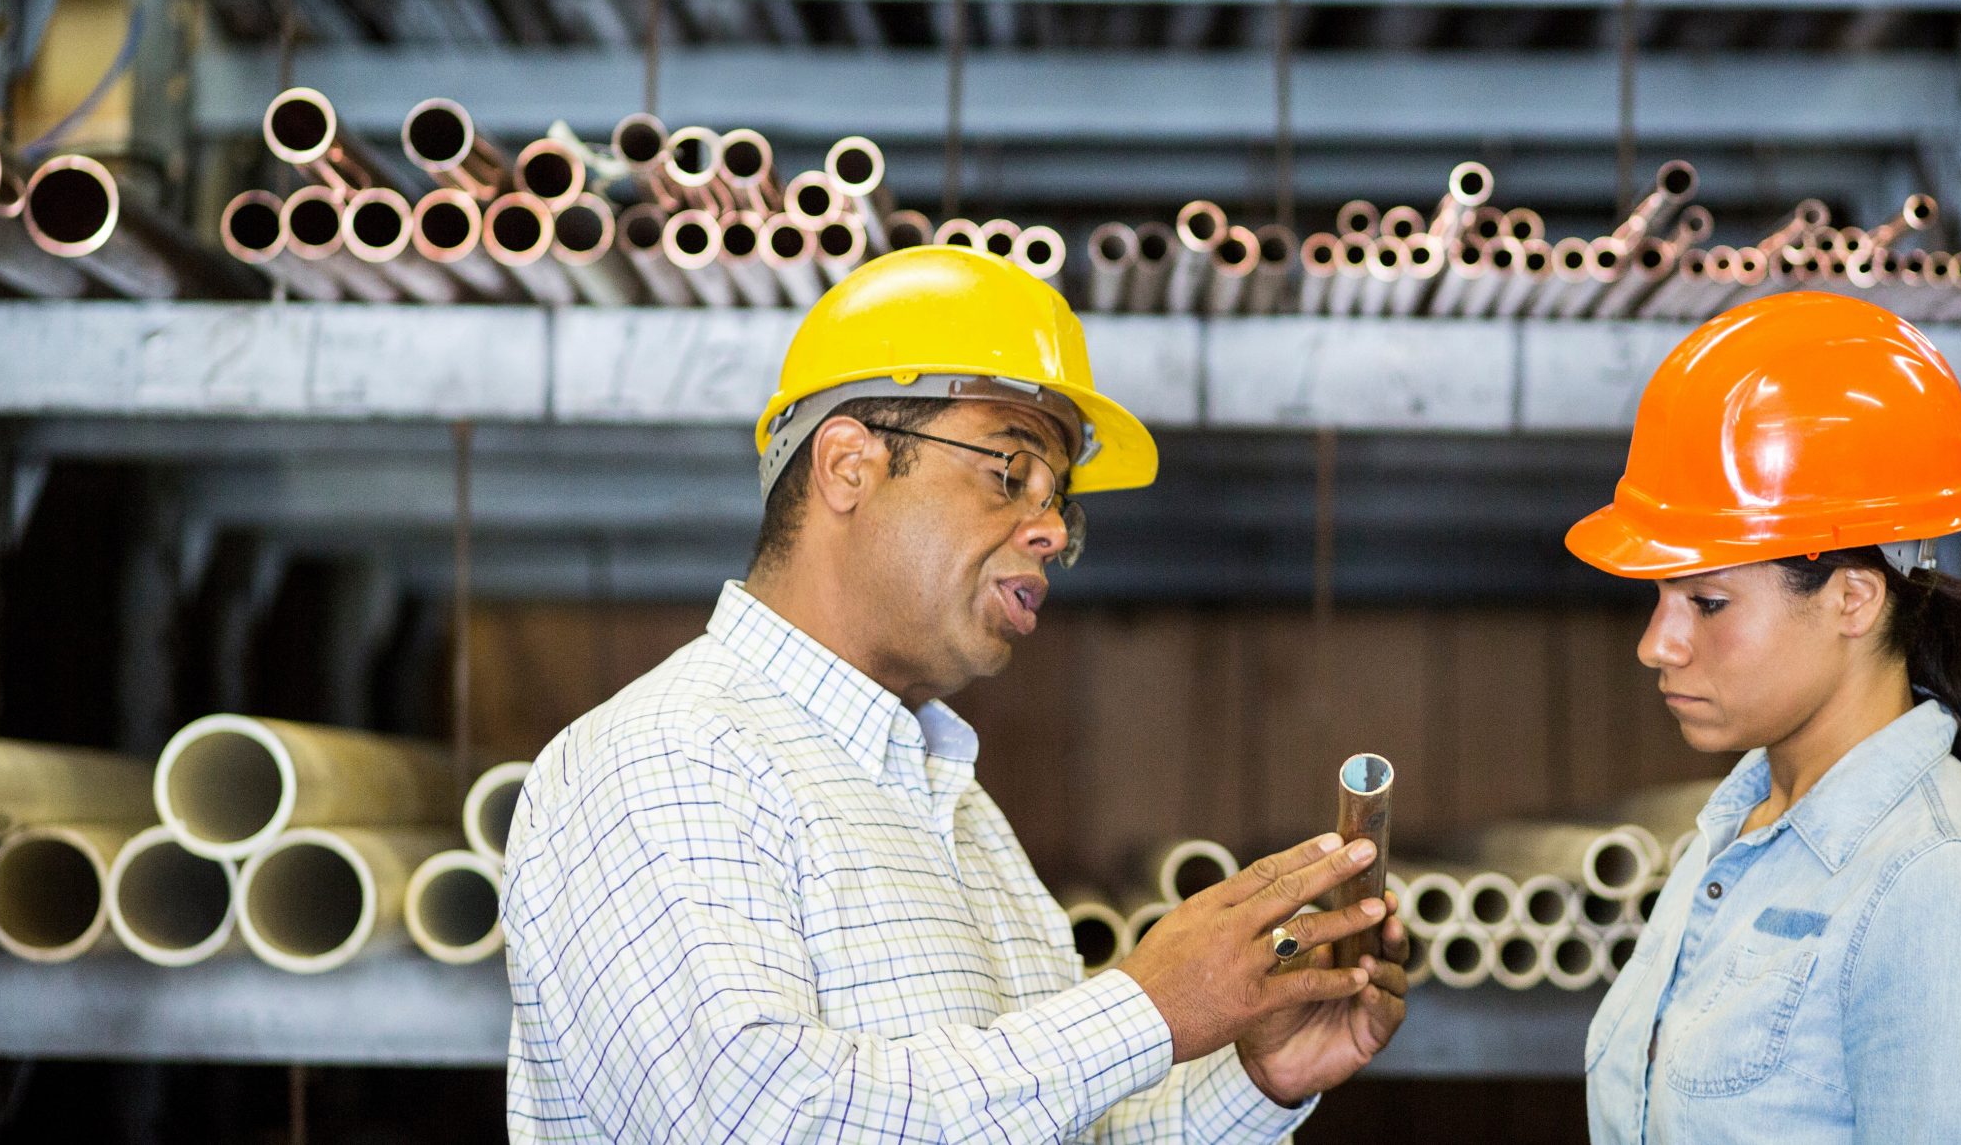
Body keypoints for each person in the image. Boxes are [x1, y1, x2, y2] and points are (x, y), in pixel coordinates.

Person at [502, 244, 1408, 1142]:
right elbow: (761, 1122)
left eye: (1063, 502)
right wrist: (1146, 1010)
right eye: (1010, 472)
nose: (1052, 530)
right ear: (848, 464)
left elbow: (1045, 1131)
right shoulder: (666, 757)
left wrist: (1255, 1080)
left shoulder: (955, 812)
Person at [1569, 290, 1961, 1143]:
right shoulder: (1737, 834)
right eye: (1661, 599)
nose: (1659, 644)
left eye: (1709, 601)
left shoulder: (1945, 882)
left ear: (1852, 597)